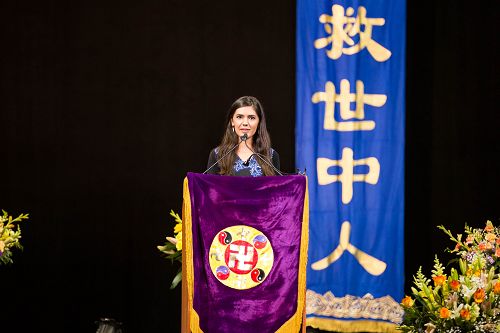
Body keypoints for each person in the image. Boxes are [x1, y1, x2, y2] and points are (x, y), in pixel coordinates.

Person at [206, 96, 280, 176]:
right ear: (232, 122)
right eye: (239, 117)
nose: (245, 123)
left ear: (259, 123)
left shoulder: (271, 155)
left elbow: (278, 187)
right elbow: (208, 187)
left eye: (251, 118)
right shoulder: (217, 155)